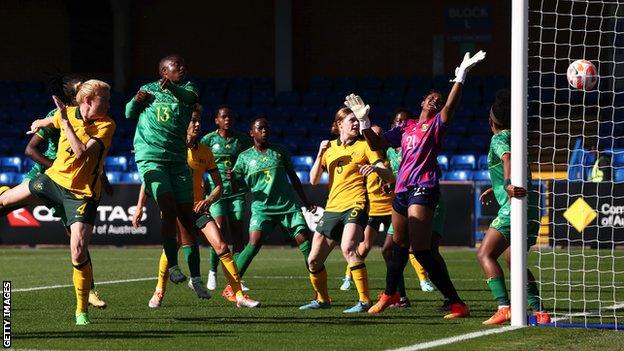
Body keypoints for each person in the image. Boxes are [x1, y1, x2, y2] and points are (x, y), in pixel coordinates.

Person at [363, 50, 486, 316]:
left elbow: (451, 107)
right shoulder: (405, 126)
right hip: (402, 189)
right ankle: (389, 294)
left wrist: (460, 78)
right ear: (422, 101)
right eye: (431, 97)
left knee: (420, 249)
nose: (435, 101)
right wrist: (364, 123)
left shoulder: (435, 126)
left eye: (438, 100)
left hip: (424, 186)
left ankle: (456, 302)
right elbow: (377, 143)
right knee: (397, 245)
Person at [0, 75, 108, 310]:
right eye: (79, 88)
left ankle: (88, 290)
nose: (82, 90)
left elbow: (93, 156)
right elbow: (30, 149)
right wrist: (57, 169)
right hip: (48, 173)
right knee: (6, 204)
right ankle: (5, 193)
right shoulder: (59, 113)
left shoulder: (95, 121)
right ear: (73, 95)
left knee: (77, 240)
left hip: (72, 181)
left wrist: (101, 176)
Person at [134, 105, 258, 308]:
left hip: (199, 209)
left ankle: (239, 296)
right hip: (177, 210)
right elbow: (150, 177)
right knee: (170, 251)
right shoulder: (170, 150)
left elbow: (218, 185)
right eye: (193, 120)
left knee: (222, 246)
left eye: (199, 120)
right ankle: (159, 291)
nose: (198, 124)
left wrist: (208, 200)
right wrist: (140, 207)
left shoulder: (205, 152)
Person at [299, 107, 392, 313]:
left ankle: (364, 301)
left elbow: (387, 174)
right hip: (332, 208)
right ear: (339, 124)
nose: (356, 124)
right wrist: (319, 153)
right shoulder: (330, 148)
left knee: (348, 248)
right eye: (352, 120)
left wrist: (375, 168)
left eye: (358, 120)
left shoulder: (366, 146)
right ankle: (323, 300)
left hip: (356, 204)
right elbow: (313, 181)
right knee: (313, 260)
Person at [125, 54, 202, 285]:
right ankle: (173, 265)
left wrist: (172, 88)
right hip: (151, 157)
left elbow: (189, 99)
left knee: (186, 217)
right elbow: (128, 114)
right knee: (167, 207)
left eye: (183, 64)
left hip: (178, 159)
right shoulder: (147, 89)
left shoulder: (189, 88)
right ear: (163, 71)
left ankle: (196, 278)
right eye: (176, 65)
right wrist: (136, 101)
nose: (182, 68)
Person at [477, 89, 550, 325]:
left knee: (485, 254)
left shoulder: (498, 138)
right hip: (531, 207)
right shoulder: (518, 136)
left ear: (491, 121)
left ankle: (504, 307)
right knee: (514, 259)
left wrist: (507, 185)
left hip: (513, 206)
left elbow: (507, 158)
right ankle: (539, 311)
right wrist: (496, 186)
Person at [227, 117, 314, 302]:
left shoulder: (280, 151)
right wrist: (232, 179)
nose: (264, 130)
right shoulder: (244, 158)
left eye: (267, 127)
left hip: (287, 206)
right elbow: (237, 188)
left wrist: (305, 201)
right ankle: (231, 287)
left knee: (304, 241)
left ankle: (319, 290)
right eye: (260, 128)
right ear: (252, 133)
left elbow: (294, 178)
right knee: (254, 243)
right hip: (262, 209)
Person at [199, 106, 252, 291]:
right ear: (217, 120)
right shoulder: (208, 139)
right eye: (224, 116)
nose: (227, 119)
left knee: (238, 234)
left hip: (237, 192)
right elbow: (199, 161)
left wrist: (240, 175)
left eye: (230, 116)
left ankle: (237, 277)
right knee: (219, 231)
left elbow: (250, 160)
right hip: (216, 193)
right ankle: (213, 272)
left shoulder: (243, 140)